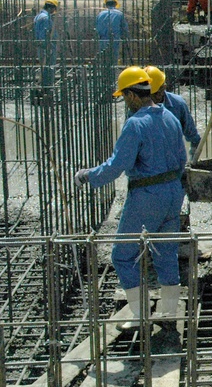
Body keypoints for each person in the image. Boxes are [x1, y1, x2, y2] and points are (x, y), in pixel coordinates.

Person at [73, 66, 187, 333]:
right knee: (166, 251)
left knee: (123, 255)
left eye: (124, 97)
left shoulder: (135, 124)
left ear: (133, 96)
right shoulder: (170, 117)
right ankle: (168, 312)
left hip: (148, 195)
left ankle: (138, 315)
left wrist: (86, 176)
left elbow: (116, 167)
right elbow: (182, 159)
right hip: (174, 193)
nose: (125, 102)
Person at [144, 65, 202, 158]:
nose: (152, 98)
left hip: (172, 161)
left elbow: (193, 137)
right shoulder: (137, 106)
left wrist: (193, 159)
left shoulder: (177, 105)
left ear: (164, 87)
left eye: (156, 93)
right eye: (149, 95)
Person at [95, 0, 128, 65]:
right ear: (115, 4)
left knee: (103, 60)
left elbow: (97, 28)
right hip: (115, 40)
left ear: (106, 4)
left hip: (102, 39)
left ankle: (105, 74)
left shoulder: (100, 14)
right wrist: (125, 38)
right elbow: (124, 29)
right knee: (113, 60)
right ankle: (112, 73)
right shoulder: (119, 14)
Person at [33, 0, 59, 87]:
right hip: (47, 47)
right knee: (48, 68)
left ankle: (45, 87)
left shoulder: (39, 16)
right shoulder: (45, 18)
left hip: (42, 46)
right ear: (51, 8)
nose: (54, 11)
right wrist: (48, 47)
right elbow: (45, 34)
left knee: (44, 68)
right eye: (54, 9)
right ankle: (47, 88)